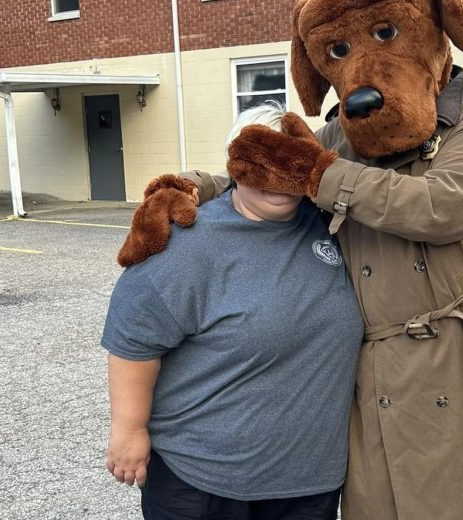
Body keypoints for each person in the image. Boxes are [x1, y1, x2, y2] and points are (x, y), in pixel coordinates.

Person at [119, 0, 463, 517]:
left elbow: (441, 207)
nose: (363, 73)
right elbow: (273, 166)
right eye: (340, 50)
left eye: (387, 33)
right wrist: (190, 186)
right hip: (383, 365)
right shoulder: (343, 137)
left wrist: (320, 172)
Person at [101, 103, 363, 520]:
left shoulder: (331, 224)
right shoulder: (188, 240)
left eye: (291, 163)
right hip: (201, 482)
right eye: (261, 163)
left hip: (309, 484)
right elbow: (135, 338)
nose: (277, 179)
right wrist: (128, 430)